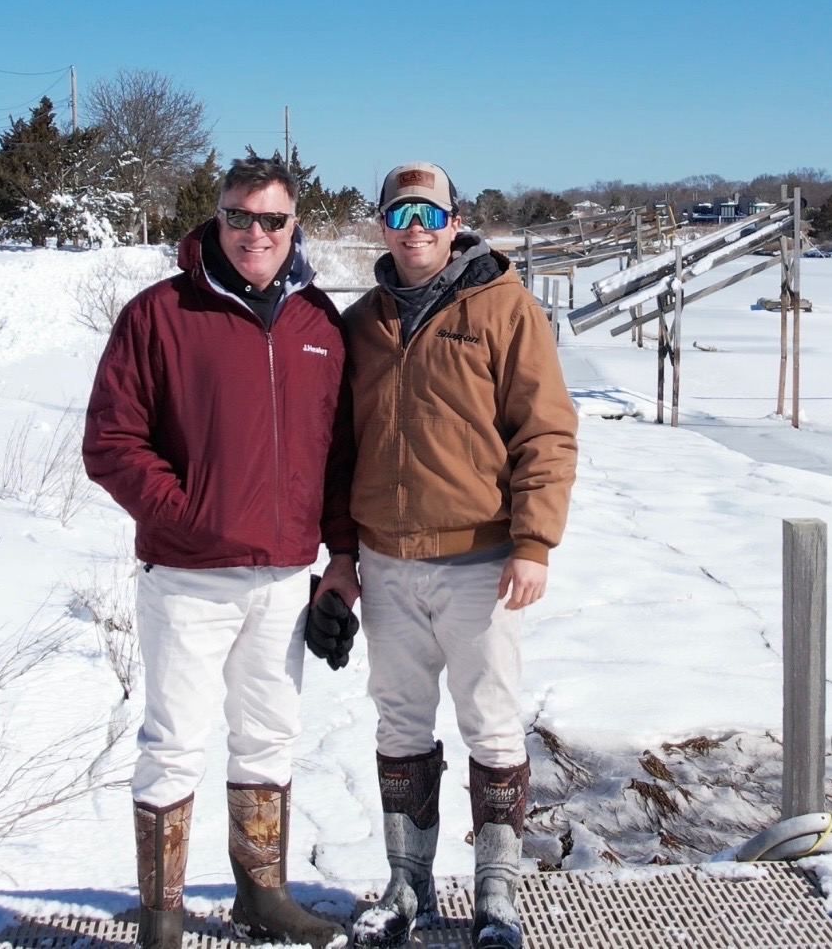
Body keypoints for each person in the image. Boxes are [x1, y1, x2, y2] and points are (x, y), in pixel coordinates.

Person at [83, 154, 353, 949]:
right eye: (239, 216)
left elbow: (338, 456)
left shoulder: (318, 323)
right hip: (187, 579)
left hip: (284, 577)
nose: (254, 233)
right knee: (173, 743)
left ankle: (261, 895)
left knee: (269, 736)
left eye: (272, 219)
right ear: (217, 219)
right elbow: (111, 442)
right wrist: (188, 517)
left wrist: (341, 561)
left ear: (294, 224)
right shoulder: (160, 314)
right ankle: (162, 917)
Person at [316, 161, 578, 949]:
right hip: (388, 563)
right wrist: (341, 558)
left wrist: (533, 542)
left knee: (491, 727)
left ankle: (497, 893)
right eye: (401, 215)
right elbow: (338, 451)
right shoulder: (360, 324)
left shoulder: (505, 307)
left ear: (455, 223)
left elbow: (546, 431)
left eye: (429, 215)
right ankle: (408, 887)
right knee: (399, 725)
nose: (415, 230)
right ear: (382, 225)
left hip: (480, 562)